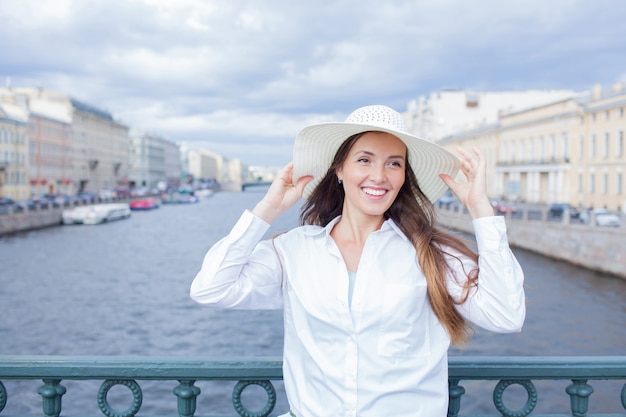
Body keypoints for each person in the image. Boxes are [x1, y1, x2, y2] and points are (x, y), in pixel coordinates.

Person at [190, 105, 525, 416]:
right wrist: (268, 209)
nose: (379, 176)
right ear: (339, 170)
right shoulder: (294, 250)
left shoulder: (431, 254)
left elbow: (506, 315)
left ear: (404, 176)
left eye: (394, 163)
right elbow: (210, 289)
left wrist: (481, 209)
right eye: (364, 160)